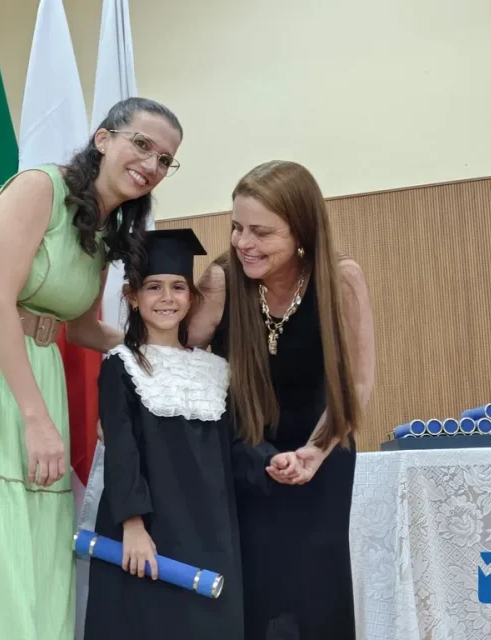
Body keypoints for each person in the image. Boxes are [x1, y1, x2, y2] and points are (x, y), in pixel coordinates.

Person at [0, 97, 183, 640]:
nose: (151, 164)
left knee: (30, 535)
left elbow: (80, 329)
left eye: (164, 159)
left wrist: (159, 351)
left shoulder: (105, 227)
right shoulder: (39, 188)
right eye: (142, 145)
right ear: (103, 139)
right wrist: (37, 420)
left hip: (38, 370)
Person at [188, 160, 376, 640]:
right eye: (237, 227)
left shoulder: (340, 280)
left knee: (319, 602)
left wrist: (316, 449)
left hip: (323, 461)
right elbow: (173, 360)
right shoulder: (222, 281)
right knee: (253, 603)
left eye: (261, 232)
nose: (243, 243)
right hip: (246, 465)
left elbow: (356, 385)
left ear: (301, 233)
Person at [83, 228, 299, 640]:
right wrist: (132, 525)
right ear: (132, 296)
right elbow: (122, 449)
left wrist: (271, 461)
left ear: (192, 298)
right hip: (150, 531)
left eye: (178, 287)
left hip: (210, 530)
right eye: (154, 287)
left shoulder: (215, 369)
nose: (167, 297)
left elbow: (236, 444)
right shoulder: (121, 365)